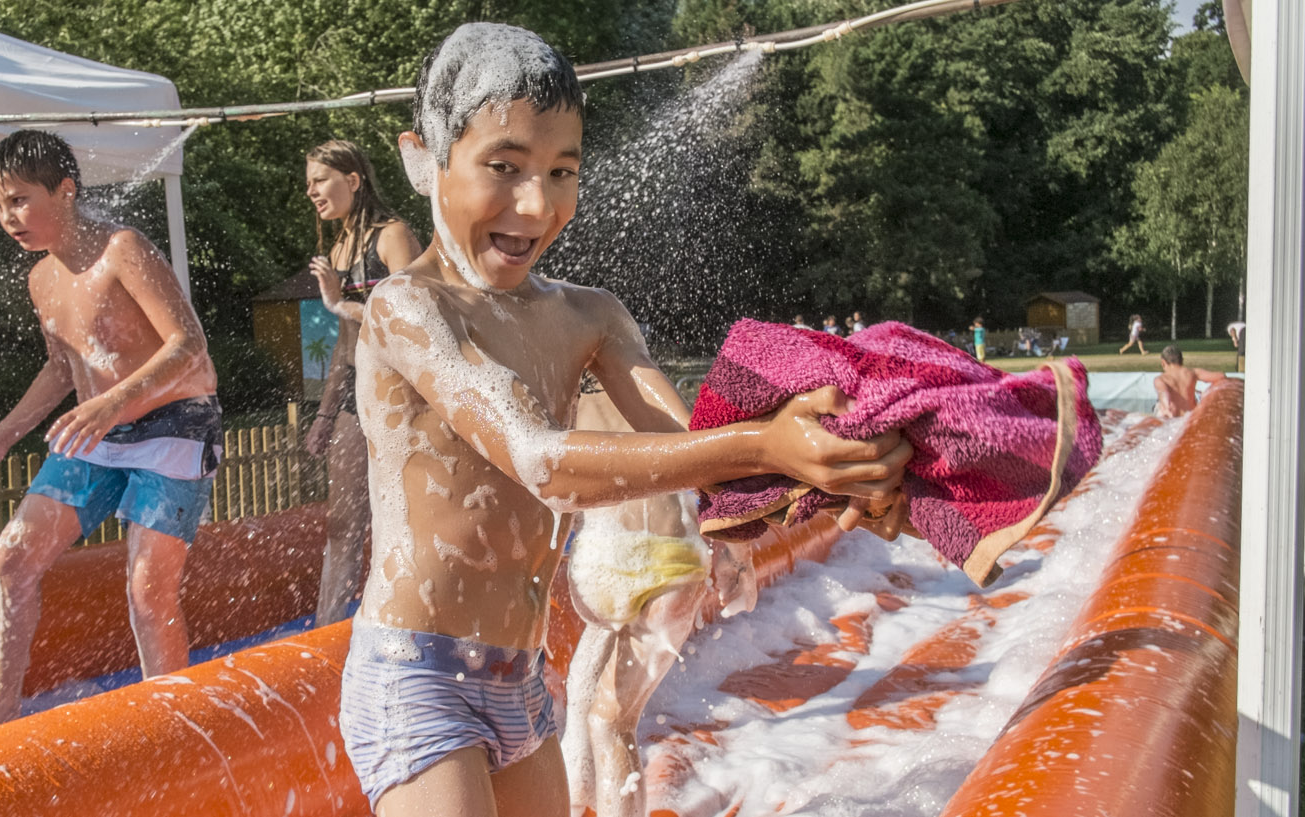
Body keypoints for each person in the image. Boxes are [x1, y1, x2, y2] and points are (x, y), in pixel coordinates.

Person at [338, 23, 912, 817]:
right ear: (422, 158)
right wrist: (758, 443)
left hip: (518, 680)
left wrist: (825, 474)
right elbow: (539, 459)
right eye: (503, 167)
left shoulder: (590, 316)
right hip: (417, 675)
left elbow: (692, 453)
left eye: (561, 171)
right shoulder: (409, 309)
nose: (536, 203)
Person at [0, 130, 222, 740]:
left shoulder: (123, 250)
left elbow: (188, 347)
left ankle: (173, 725)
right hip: (103, 428)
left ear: (65, 191)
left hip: (174, 423)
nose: (7, 218)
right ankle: (0, 701)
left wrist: (114, 403)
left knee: (147, 590)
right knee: (13, 557)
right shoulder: (42, 280)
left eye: (17, 200)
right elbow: (64, 367)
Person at [560, 386, 758, 817]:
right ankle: (586, 797)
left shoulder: (554, 377)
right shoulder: (641, 387)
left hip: (599, 558)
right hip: (672, 563)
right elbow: (706, 459)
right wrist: (737, 554)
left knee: (585, 690)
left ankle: (577, 798)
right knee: (612, 722)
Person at [302, 139, 424, 627]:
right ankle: (327, 627)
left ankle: (402, 618)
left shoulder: (393, 236)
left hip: (404, 393)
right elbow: (344, 343)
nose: (311, 191)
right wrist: (324, 416)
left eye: (320, 180)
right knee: (342, 520)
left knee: (404, 516)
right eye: (308, 183)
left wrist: (339, 304)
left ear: (352, 180)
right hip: (358, 390)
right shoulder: (338, 247)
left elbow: (418, 321)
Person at [1153, 345, 1226, 419]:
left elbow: (1164, 395)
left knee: (1157, 407)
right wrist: (1207, 395)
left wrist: (1165, 408)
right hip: (1190, 419)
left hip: (1173, 421)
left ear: (1163, 363)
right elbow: (1221, 376)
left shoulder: (1160, 379)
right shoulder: (1193, 373)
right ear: (1182, 360)